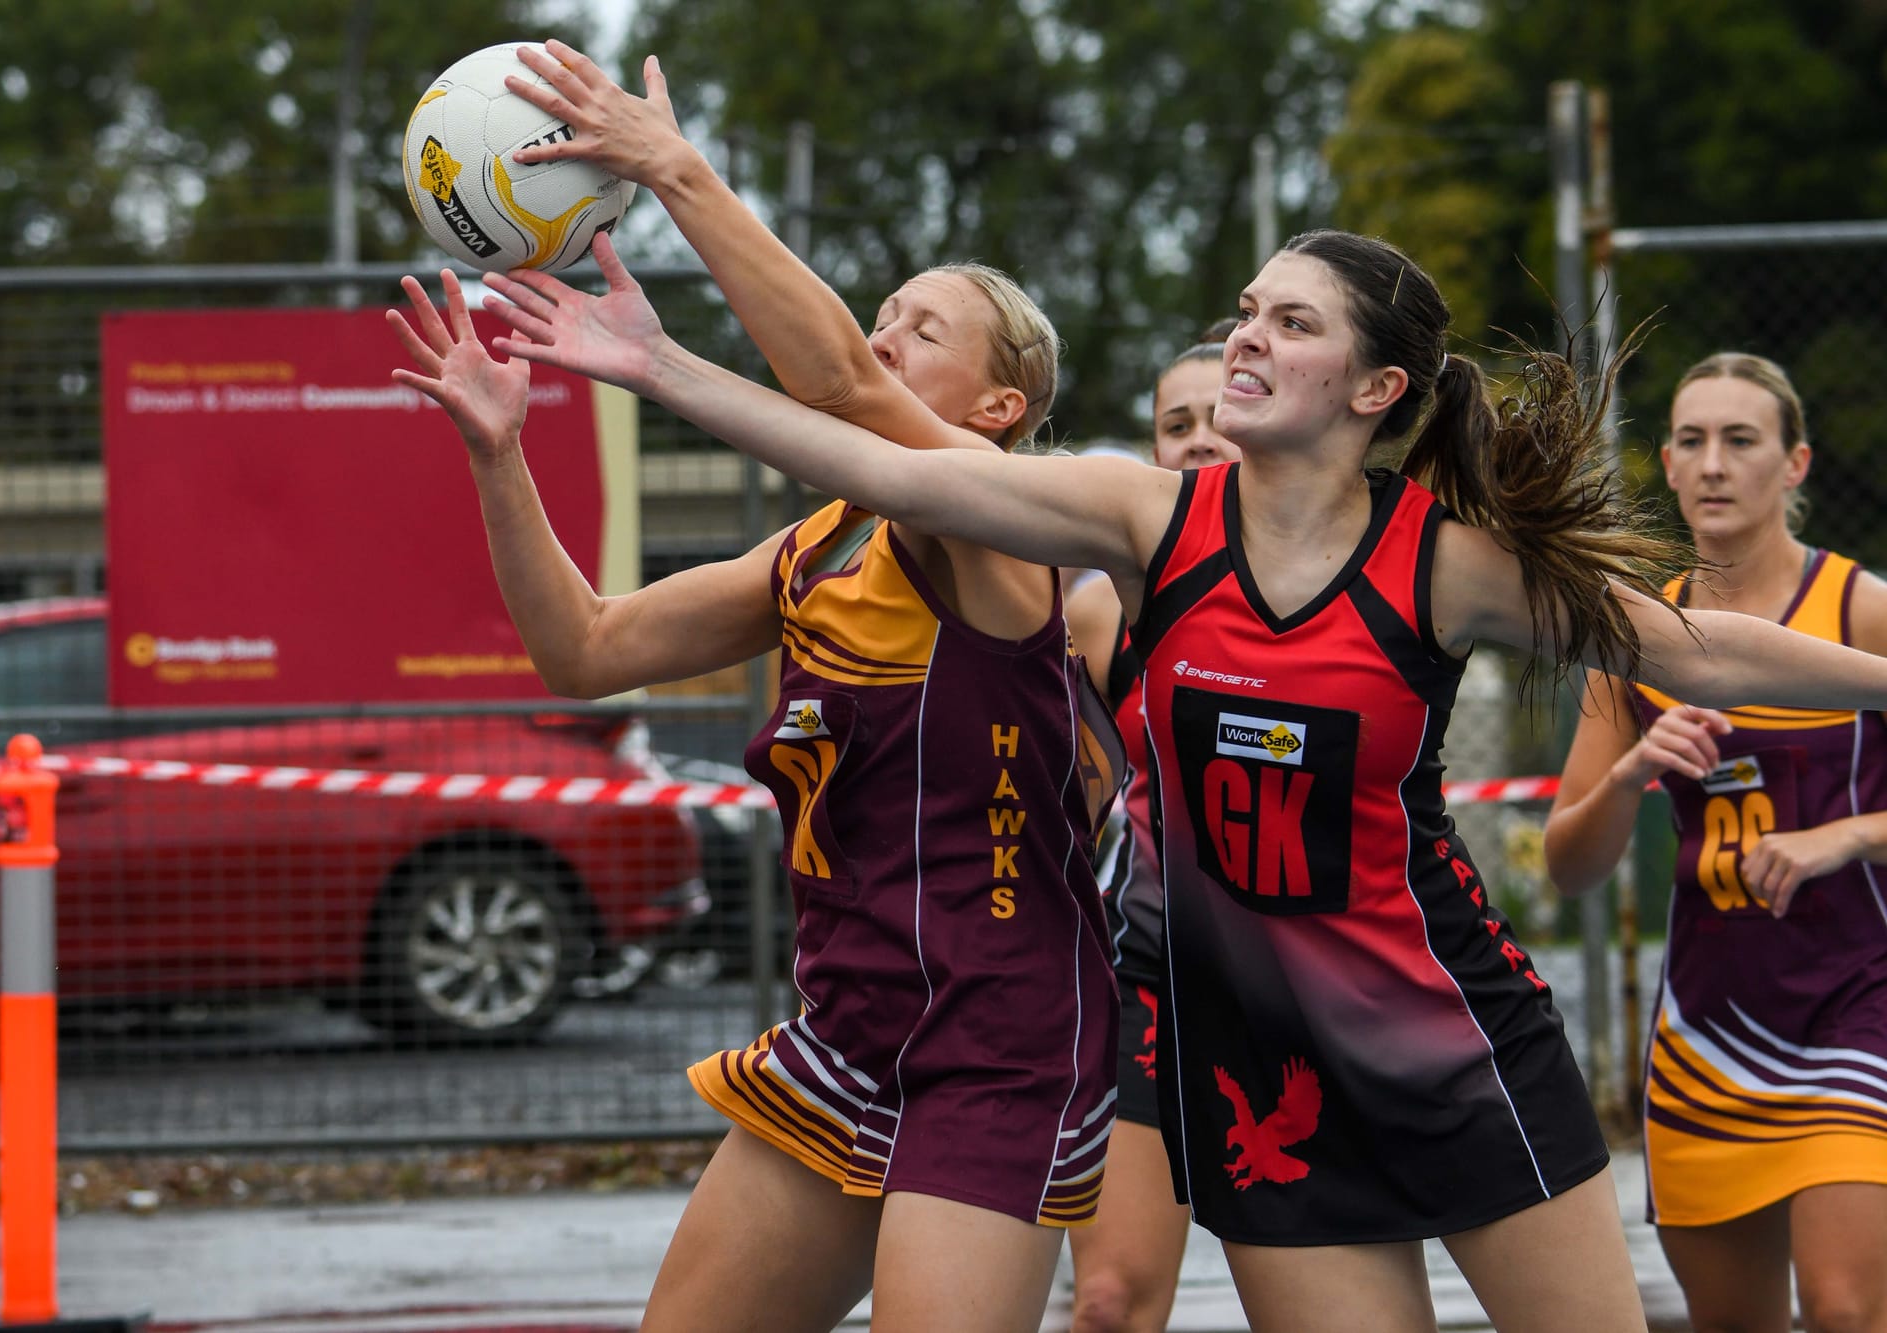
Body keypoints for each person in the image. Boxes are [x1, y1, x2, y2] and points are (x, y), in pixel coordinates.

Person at [475, 212, 1887, 1331]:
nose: (1250, 337)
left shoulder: (1438, 561)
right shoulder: (1146, 523)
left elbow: (1695, 649)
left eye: (1293, 321)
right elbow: (893, 465)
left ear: (1378, 386)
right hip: (1258, 1071)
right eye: (1248, 313)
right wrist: (662, 370)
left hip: (1452, 1039)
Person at [389, 56, 1129, 1331]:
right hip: (847, 1037)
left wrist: (671, 168)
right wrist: (499, 454)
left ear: (1000, 408)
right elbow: (586, 649)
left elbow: (837, 378)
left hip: (999, 1048)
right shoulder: (815, 550)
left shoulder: (1018, 539)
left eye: (919, 327)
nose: (881, 330)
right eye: (881, 310)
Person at [1543, 352, 1887, 1333]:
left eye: (1740, 440)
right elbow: (1570, 866)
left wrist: (1846, 836)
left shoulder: (1856, 611)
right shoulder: (1639, 638)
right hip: (1707, 1034)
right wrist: (1627, 771)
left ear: (1793, 465)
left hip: (1852, 1009)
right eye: (1689, 441)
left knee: (1839, 1306)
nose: (1710, 464)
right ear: (1663, 462)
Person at [1063, 323, 1237, 1333]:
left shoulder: (1350, 587)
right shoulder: (1099, 613)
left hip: (1318, 984)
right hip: (1149, 971)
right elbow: (1069, 805)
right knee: (1110, 1301)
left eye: (1220, 415)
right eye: (1177, 424)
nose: (1202, 438)